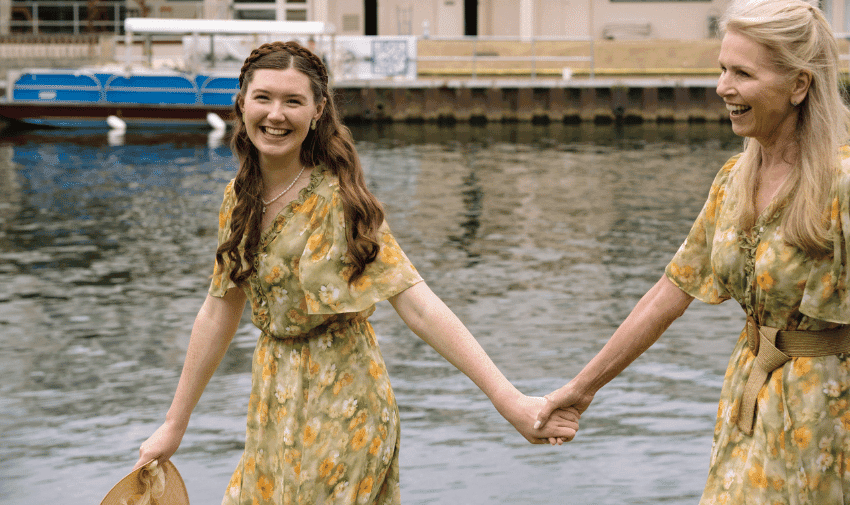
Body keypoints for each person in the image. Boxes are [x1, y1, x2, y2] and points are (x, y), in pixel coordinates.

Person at [132, 41, 579, 504]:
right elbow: (218, 311)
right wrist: (174, 424)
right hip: (272, 402)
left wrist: (508, 399)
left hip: (344, 402)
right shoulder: (239, 198)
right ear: (242, 102)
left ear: (318, 110)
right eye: (264, 97)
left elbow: (417, 303)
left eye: (293, 101)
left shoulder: (339, 200)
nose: (276, 114)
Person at [535, 0, 850, 503]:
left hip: (830, 420)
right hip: (747, 401)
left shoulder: (843, 182)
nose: (723, 87)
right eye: (722, 69)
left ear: (799, 85)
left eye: (743, 73)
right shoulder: (733, 181)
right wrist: (583, 388)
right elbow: (670, 291)